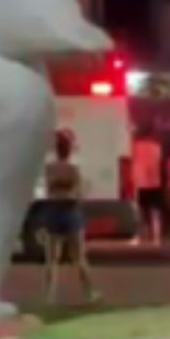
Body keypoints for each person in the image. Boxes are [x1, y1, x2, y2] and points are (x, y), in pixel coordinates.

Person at [40, 130, 99, 305]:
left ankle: (49, 297)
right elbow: (79, 193)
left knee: (51, 258)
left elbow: (49, 190)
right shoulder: (73, 169)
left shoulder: (50, 169)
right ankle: (89, 293)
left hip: (53, 212)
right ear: (69, 149)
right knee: (79, 257)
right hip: (71, 212)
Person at [130, 126, 165, 246]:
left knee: (141, 212)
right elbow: (158, 162)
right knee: (155, 213)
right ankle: (157, 238)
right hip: (155, 182)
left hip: (141, 183)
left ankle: (141, 237)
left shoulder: (135, 146)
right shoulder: (156, 147)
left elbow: (132, 162)